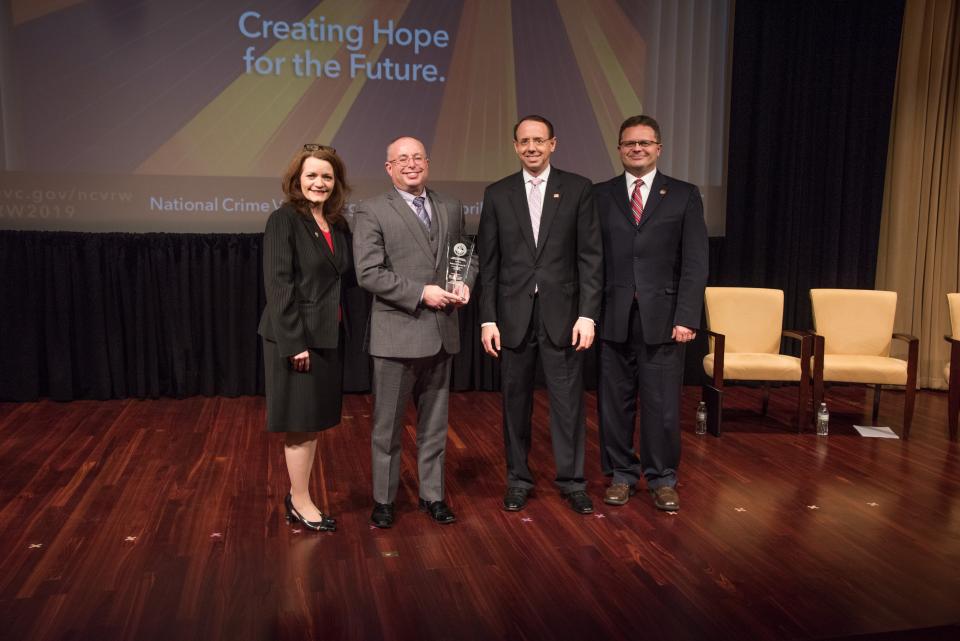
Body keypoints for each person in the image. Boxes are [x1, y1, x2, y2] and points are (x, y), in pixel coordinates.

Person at [478, 115, 603, 514]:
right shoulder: (497, 193)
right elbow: (490, 261)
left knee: (567, 403)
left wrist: (588, 314)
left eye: (539, 140)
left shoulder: (578, 189)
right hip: (512, 316)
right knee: (515, 402)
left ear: (553, 144)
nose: (531, 147)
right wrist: (487, 319)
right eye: (524, 141)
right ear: (515, 146)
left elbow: (590, 258)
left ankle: (572, 481)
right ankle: (517, 479)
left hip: (564, 316)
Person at [353, 136, 473, 529]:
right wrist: (422, 293)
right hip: (396, 336)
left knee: (435, 427)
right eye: (401, 159)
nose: (410, 164)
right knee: (386, 428)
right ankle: (384, 500)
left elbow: (464, 257)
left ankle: (432, 496)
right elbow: (368, 273)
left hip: (442, 334)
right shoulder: (371, 210)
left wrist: (465, 282)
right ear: (388, 168)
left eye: (417, 157)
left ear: (428, 162)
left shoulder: (451, 206)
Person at [594, 115, 708, 512]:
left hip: (665, 318)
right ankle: (621, 475)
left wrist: (687, 317)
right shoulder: (600, 194)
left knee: (661, 405)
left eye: (645, 143)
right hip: (613, 316)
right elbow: (591, 262)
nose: (637, 149)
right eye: (629, 143)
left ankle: (662, 479)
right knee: (614, 403)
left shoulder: (683, 194)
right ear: (620, 148)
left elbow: (695, 261)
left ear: (659, 148)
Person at [259, 144, 353, 532]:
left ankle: (299, 495)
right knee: (300, 422)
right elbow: (279, 285)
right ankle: (299, 500)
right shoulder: (284, 220)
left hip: (327, 335)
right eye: (312, 175)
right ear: (297, 180)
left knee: (312, 422)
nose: (320, 182)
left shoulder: (338, 224)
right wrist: (294, 342)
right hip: (297, 339)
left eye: (327, 176)